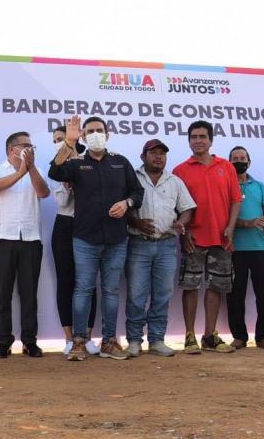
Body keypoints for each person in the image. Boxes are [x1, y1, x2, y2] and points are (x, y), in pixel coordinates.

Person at [49, 115, 144, 361]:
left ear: (107, 134)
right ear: (83, 136)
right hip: (85, 239)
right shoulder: (77, 163)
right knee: (83, 289)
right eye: (89, 131)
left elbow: (138, 192)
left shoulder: (120, 162)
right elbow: (54, 172)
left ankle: (109, 342)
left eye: (99, 130)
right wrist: (68, 144)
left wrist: (126, 203)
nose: (95, 135)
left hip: (116, 238)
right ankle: (79, 342)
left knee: (111, 291)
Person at [172, 121, 242, 355]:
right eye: (193, 137)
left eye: (202, 136)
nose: (198, 140)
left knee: (216, 287)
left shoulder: (226, 166)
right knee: (190, 287)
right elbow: (176, 207)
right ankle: (189, 336)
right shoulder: (180, 170)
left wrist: (231, 227)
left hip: (222, 239)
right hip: (193, 239)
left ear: (211, 140)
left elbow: (235, 200)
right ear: (189, 141)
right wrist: (185, 231)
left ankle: (210, 336)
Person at [125, 139, 195, 357]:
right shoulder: (131, 178)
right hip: (138, 243)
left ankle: (156, 340)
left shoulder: (175, 181)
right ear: (143, 156)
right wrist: (136, 222)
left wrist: (181, 222)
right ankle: (134, 340)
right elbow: (121, 207)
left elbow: (187, 208)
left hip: (166, 245)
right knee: (136, 295)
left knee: (163, 295)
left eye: (162, 154)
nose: (158, 157)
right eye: (153, 153)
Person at [0, 131, 50, 358]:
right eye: (25, 145)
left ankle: (30, 341)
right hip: (2, 238)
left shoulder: (37, 170)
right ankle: (4, 342)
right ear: (12, 149)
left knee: (29, 293)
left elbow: (43, 192)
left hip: (30, 238)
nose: (29, 149)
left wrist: (29, 170)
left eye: (31, 146)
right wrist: (20, 172)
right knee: (2, 293)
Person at [50, 126, 99, 356]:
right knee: (65, 281)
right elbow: (62, 201)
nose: (59, 143)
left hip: (87, 225)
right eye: (56, 140)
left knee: (88, 282)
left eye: (62, 139)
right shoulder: (55, 167)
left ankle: (87, 337)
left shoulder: (90, 162)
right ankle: (69, 338)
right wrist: (67, 183)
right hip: (64, 226)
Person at [227, 146, 264, 350]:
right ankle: (239, 336)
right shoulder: (226, 185)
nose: (239, 161)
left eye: (243, 158)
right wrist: (249, 223)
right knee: (235, 294)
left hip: (259, 247)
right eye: (235, 158)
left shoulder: (259, 185)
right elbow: (226, 218)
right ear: (229, 163)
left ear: (249, 162)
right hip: (235, 248)